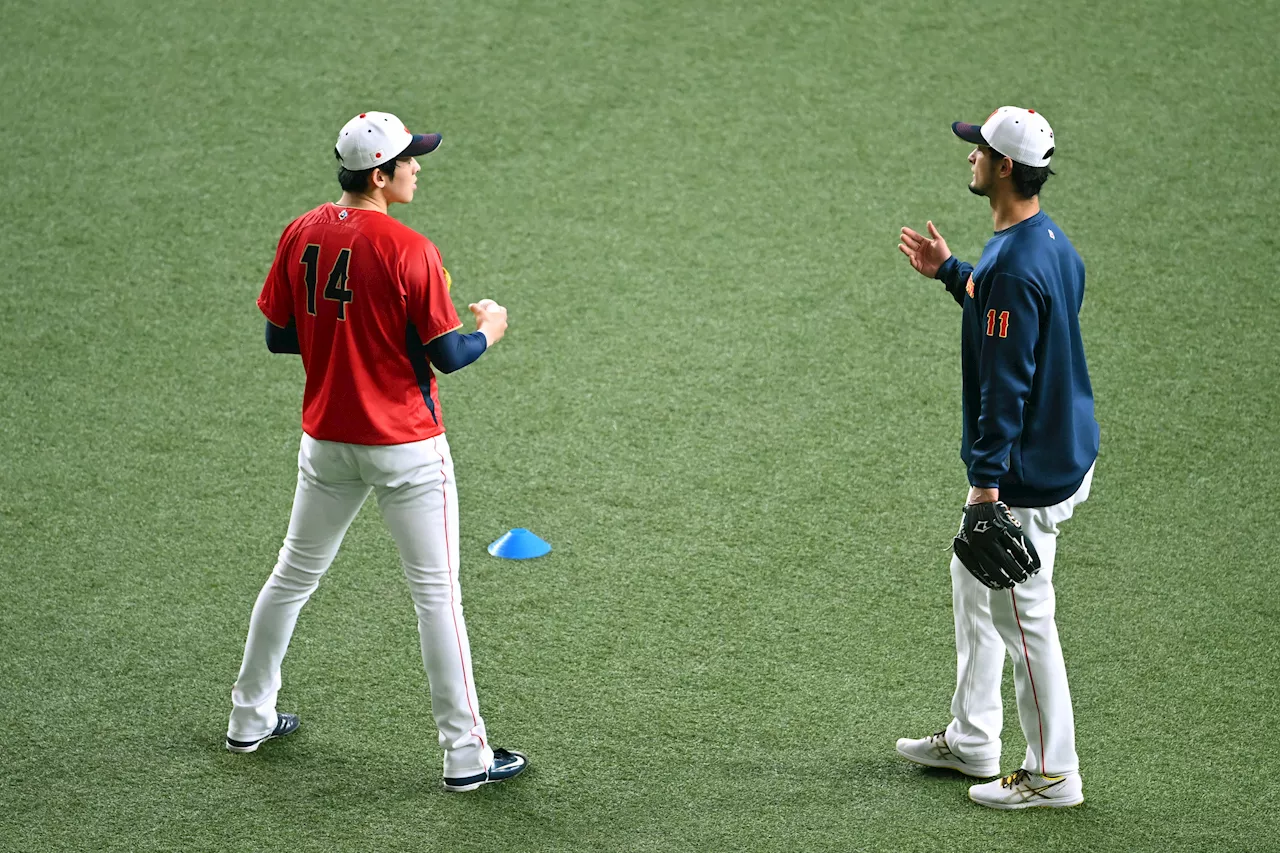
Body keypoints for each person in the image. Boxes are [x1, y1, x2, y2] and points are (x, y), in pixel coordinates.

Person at [225, 111, 528, 793]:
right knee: (437, 598)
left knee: (291, 576)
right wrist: (492, 328)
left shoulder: (301, 231)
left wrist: (347, 341)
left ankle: (248, 716)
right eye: (410, 160)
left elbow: (280, 337)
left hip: (327, 440)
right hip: (407, 450)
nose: (418, 167)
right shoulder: (408, 248)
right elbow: (448, 355)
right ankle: (465, 755)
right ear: (379, 174)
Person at [895, 107, 1099, 809]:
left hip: (1027, 473)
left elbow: (1004, 386)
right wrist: (952, 272)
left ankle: (1052, 772)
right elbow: (1011, 312)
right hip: (1065, 445)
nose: (970, 157)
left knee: (1022, 613)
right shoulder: (1048, 242)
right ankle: (974, 735)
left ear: (1005, 167)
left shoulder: (1013, 266)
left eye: (979, 149)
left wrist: (986, 489)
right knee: (970, 575)